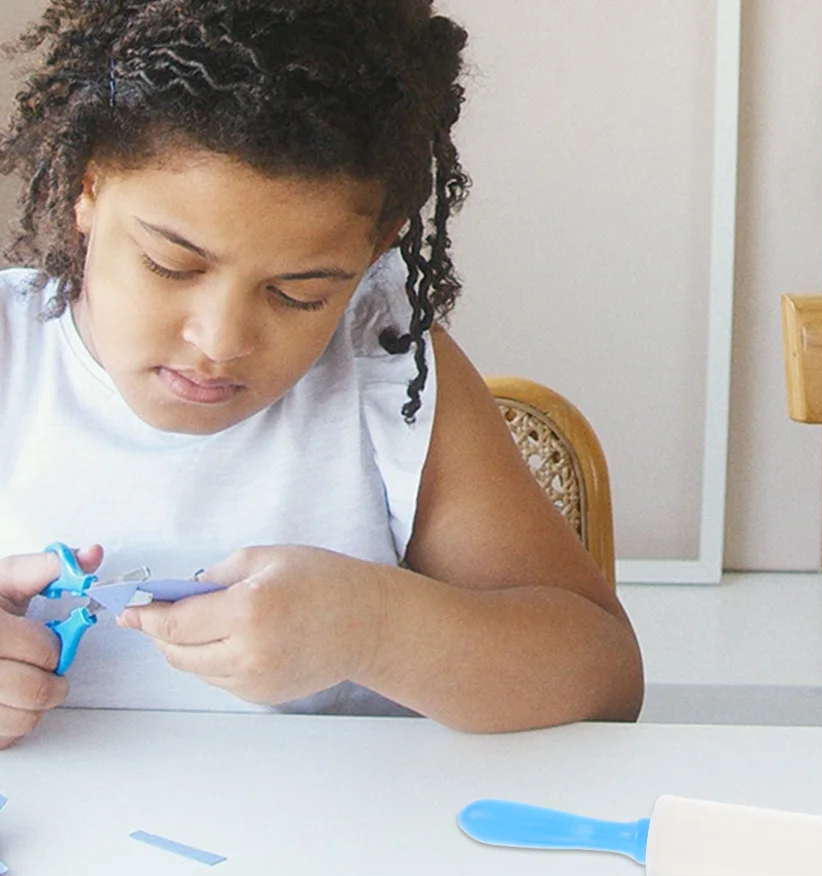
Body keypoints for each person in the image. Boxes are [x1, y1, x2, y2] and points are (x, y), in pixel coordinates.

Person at [0, 0, 643, 747]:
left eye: (298, 294)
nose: (222, 339)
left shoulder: (384, 365)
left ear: (376, 251)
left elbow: (603, 678)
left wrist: (372, 628)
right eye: (171, 265)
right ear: (87, 188)